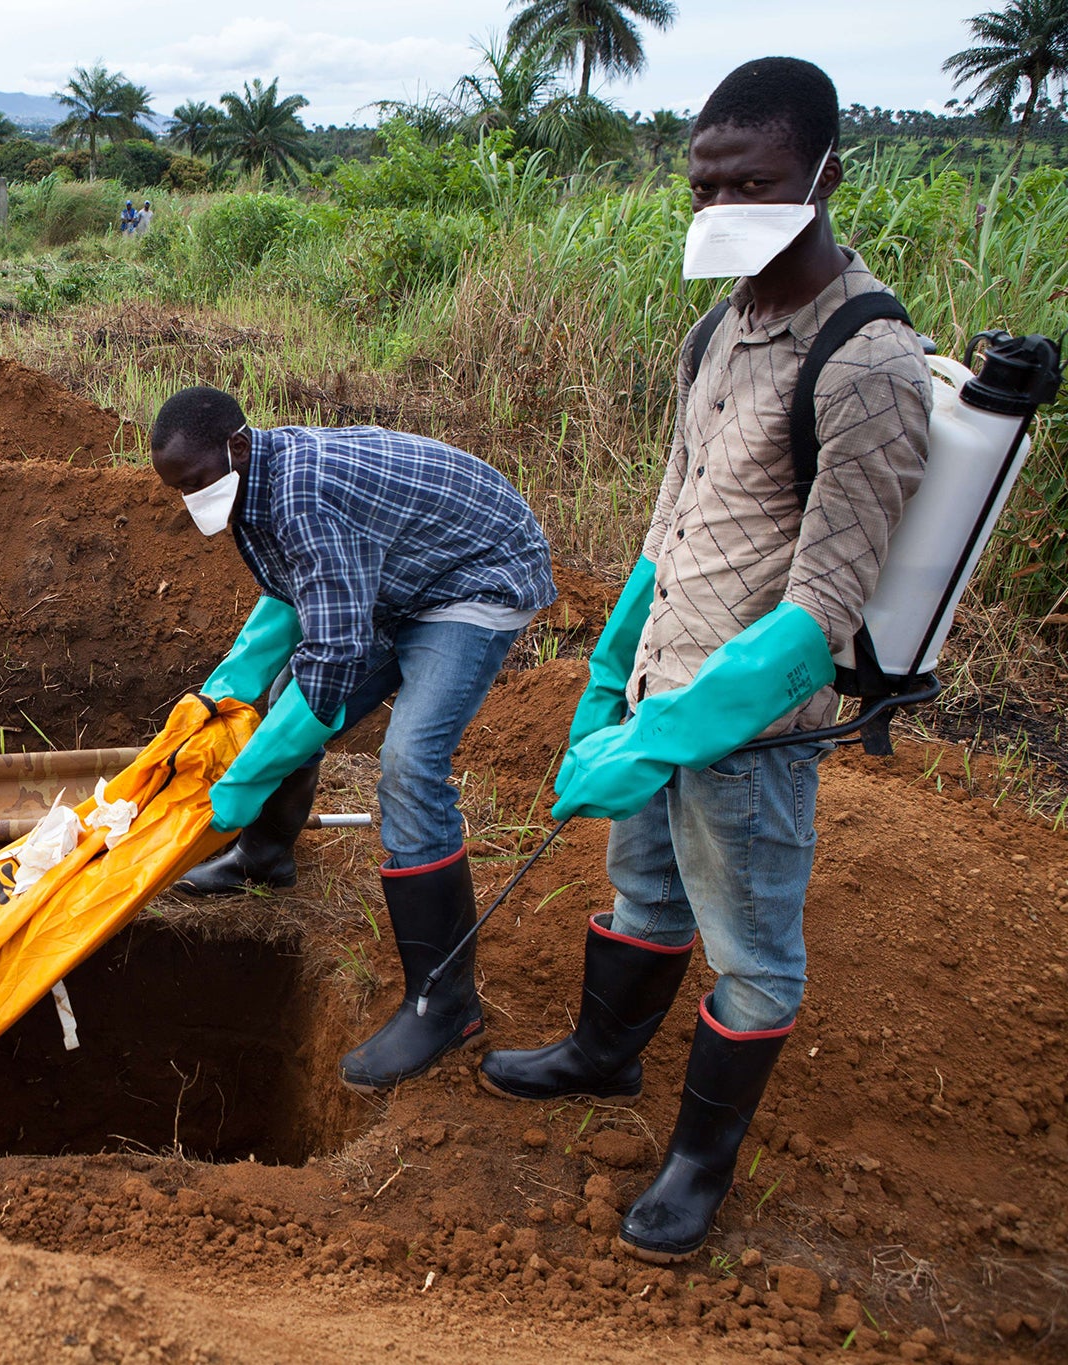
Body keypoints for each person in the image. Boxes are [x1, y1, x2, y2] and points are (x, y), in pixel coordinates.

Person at [478, 57, 931, 1263]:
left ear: (825, 176)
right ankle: (597, 1058)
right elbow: (664, 528)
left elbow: (820, 613)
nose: (723, 204)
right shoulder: (714, 329)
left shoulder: (867, 365)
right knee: (644, 894)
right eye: (704, 182)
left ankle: (694, 1168)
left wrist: (670, 736)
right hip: (659, 687)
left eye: (756, 180)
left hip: (747, 732)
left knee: (750, 954)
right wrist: (604, 689)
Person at [151, 387, 556, 1089]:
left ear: (238, 446)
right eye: (178, 490)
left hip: (475, 576)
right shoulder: (255, 482)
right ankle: (264, 858)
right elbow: (288, 600)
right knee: (280, 700)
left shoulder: (304, 495)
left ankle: (443, 1003)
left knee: (409, 765)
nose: (192, 499)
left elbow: (334, 658)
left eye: (196, 482)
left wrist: (242, 780)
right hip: (399, 575)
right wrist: (219, 695)